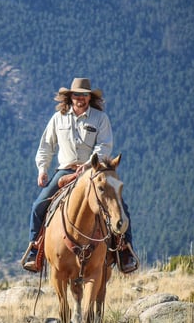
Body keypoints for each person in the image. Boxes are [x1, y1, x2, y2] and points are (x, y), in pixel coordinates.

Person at [22, 77, 138, 273]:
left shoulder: (100, 118)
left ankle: (124, 251)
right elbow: (46, 145)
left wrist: (88, 164)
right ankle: (36, 248)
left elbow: (104, 146)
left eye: (84, 95)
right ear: (70, 96)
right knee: (38, 206)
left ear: (89, 97)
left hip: (93, 171)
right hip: (65, 171)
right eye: (77, 95)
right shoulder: (58, 118)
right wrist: (42, 169)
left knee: (119, 206)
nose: (80, 98)